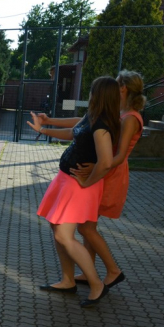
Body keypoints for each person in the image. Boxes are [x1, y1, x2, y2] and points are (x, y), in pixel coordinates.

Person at [34, 70, 145, 288]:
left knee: (86, 228)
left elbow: (120, 155)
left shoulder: (130, 118)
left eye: (117, 83)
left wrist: (96, 166)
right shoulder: (116, 112)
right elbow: (82, 125)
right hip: (98, 170)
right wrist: (50, 122)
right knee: (86, 227)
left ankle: (111, 271)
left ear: (123, 88)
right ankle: (87, 273)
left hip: (108, 174)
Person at [27, 76, 121, 307]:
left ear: (99, 95)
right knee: (56, 228)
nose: (89, 94)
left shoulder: (102, 126)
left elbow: (106, 162)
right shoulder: (92, 116)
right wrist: (45, 128)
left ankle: (96, 284)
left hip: (78, 185)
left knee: (63, 235)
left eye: (92, 91)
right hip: (66, 180)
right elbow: (73, 132)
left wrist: (87, 183)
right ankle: (68, 280)